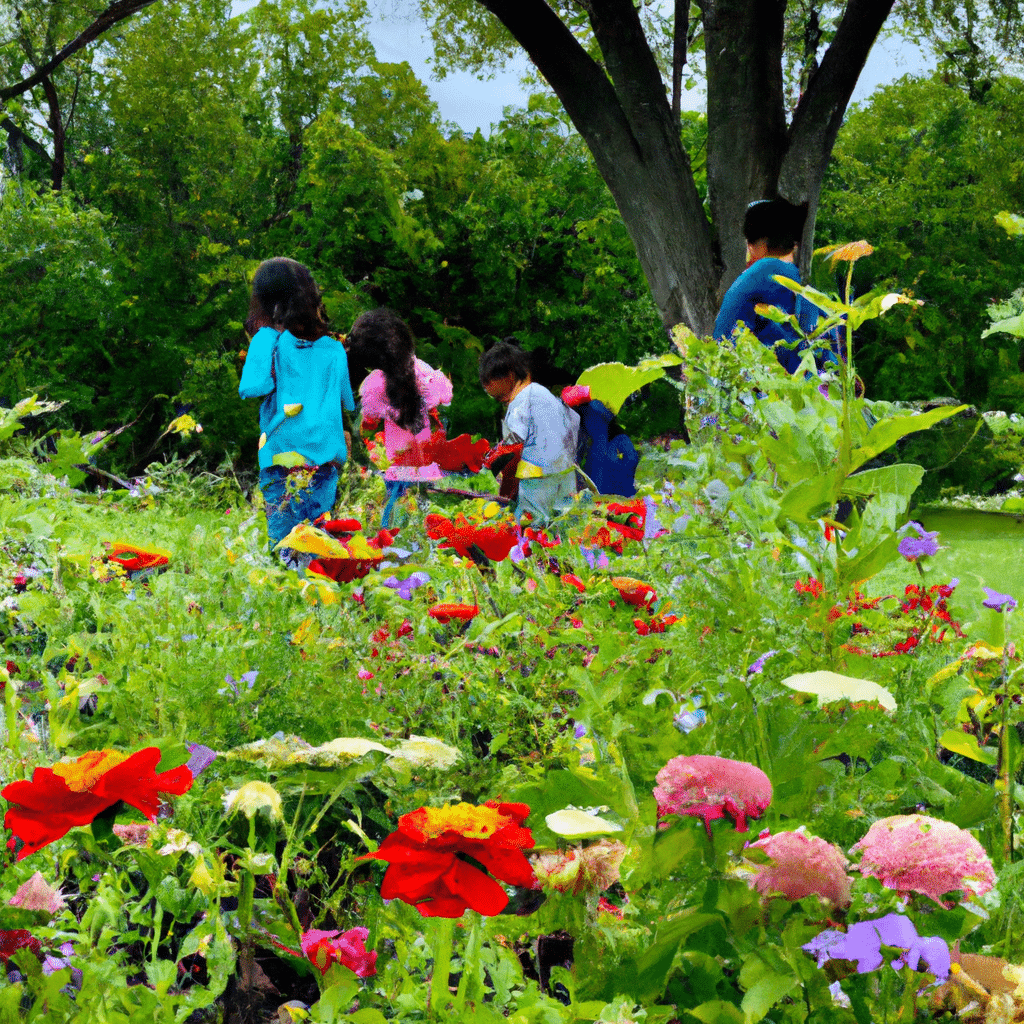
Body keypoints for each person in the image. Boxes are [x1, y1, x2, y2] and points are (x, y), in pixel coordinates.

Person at [238, 257, 355, 549]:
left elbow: (252, 387)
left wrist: (266, 348)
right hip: (326, 458)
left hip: (281, 457)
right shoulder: (331, 346)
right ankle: (321, 587)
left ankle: (289, 588)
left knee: (283, 541)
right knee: (320, 536)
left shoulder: (268, 340)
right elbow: (343, 402)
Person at [345, 309, 453, 525]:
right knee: (424, 527)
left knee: (394, 532)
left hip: (398, 471)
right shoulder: (425, 372)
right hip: (426, 470)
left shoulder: (376, 385)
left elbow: (366, 425)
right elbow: (442, 403)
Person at [714, 198, 825, 374]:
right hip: (815, 387)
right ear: (793, 244)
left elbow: (721, 341)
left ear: (755, 246)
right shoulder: (810, 283)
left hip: (767, 389)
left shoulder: (756, 276)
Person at [478, 341, 580, 522]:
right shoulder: (547, 395)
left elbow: (514, 441)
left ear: (508, 376)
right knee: (564, 521)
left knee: (531, 522)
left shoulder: (521, 400)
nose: (487, 390)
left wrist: (488, 466)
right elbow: (573, 422)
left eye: (498, 397)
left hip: (537, 476)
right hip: (566, 471)